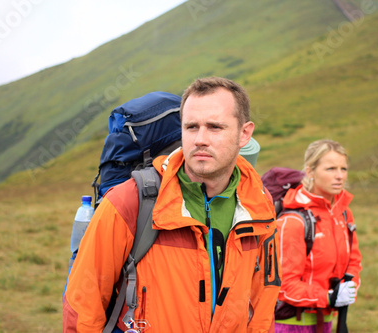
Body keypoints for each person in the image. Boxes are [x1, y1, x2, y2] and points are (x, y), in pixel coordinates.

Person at [62, 77, 281, 333]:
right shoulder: (129, 202)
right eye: (191, 127)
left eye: (214, 127)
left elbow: (262, 302)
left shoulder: (258, 205)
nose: (200, 139)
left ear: (244, 133)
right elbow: (82, 307)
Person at [274, 139, 362, 333]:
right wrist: (329, 297)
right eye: (330, 169)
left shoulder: (344, 214)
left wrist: (349, 287)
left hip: (326, 322)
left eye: (343, 169)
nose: (339, 176)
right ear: (310, 171)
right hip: (290, 325)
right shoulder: (294, 221)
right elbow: (284, 285)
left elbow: (354, 262)